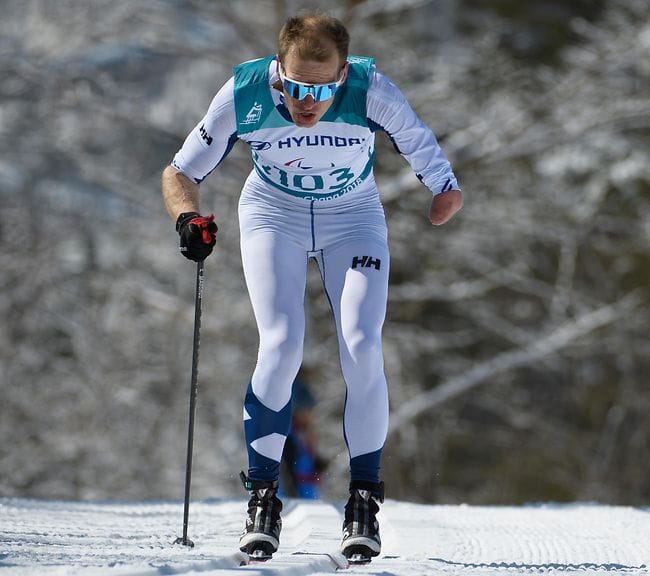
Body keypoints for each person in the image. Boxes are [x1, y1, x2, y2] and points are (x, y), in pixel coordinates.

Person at [161, 11, 463, 562]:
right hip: (273, 213)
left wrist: (444, 190)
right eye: (296, 85)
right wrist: (188, 219)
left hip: (353, 217)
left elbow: (422, 146)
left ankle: (363, 501)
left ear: (343, 73)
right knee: (280, 344)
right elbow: (180, 171)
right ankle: (262, 498)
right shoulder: (245, 92)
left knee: (362, 343)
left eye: (323, 89)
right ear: (278, 68)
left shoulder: (371, 90)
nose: (307, 101)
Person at [280, 368, 329, 499]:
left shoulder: (302, 434)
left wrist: (318, 464)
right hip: (293, 501)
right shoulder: (288, 436)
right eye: (305, 410)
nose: (309, 415)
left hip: (307, 498)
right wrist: (292, 494)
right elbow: (286, 471)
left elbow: (305, 465)